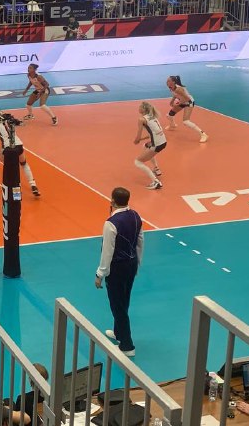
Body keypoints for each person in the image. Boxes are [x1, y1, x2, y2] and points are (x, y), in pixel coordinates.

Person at [95, 187, 143, 357]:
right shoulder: (136, 216)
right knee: (124, 300)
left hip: (117, 268)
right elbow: (140, 242)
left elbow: (107, 251)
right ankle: (119, 333)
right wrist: (137, 264)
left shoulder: (111, 223)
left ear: (112, 201)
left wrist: (100, 274)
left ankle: (127, 346)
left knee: (117, 305)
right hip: (131, 265)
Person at [0, 113, 41, 198]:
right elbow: (22, 124)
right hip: (19, 145)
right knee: (24, 164)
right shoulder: (9, 121)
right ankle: (33, 185)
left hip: (8, 148)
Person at [133, 101, 166, 190]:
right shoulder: (152, 116)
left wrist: (137, 140)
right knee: (146, 146)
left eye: (140, 107)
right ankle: (156, 168)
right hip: (163, 142)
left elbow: (138, 136)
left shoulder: (141, 119)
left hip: (157, 144)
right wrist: (141, 139)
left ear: (143, 109)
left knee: (138, 162)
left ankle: (156, 182)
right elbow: (151, 134)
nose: (138, 108)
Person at [166, 76, 208, 142]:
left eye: (168, 81)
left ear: (173, 82)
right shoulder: (171, 87)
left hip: (189, 102)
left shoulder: (179, 89)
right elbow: (175, 94)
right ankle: (172, 125)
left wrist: (177, 104)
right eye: (167, 80)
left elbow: (187, 99)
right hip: (182, 101)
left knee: (186, 121)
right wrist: (172, 101)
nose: (167, 82)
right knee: (169, 115)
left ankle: (203, 134)